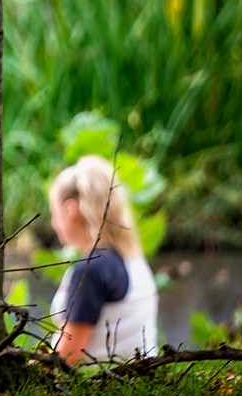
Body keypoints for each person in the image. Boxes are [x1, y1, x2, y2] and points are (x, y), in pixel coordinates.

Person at [47, 155, 159, 365]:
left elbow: (67, 355)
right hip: (141, 376)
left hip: (99, 384)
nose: (53, 223)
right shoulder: (132, 258)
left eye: (54, 213)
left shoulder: (92, 268)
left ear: (70, 210)